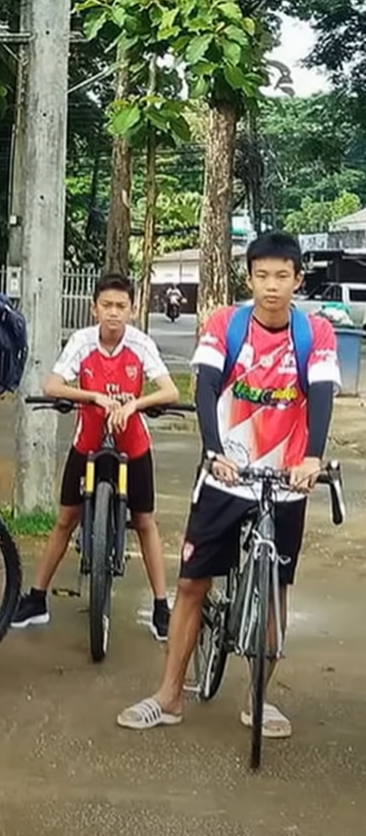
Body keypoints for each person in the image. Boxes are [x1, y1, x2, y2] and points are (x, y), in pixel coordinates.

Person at [117, 232, 338, 739]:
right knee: (193, 583)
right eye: (262, 275)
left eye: (283, 276)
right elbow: (208, 387)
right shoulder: (226, 324)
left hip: (286, 481)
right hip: (226, 474)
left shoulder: (315, 334)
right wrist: (214, 451)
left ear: (298, 279)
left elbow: (322, 393)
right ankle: (169, 696)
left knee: (277, 592)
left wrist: (312, 457)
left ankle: (259, 697)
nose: (272, 286)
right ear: (250, 278)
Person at [10, 273, 179, 640]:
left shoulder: (141, 343)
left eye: (121, 306)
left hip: (133, 445)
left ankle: (162, 607)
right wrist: (94, 397)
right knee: (65, 518)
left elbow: (169, 390)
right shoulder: (82, 341)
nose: (114, 313)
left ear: (132, 311)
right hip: (86, 442)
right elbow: (52, 385)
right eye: (107, 306)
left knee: (146, 521)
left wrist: (135, 403)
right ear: (94, 308)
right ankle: (37, 598)